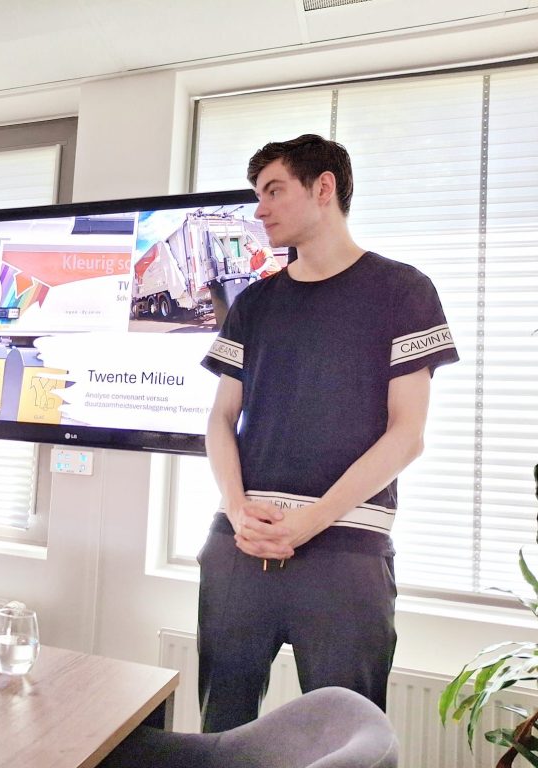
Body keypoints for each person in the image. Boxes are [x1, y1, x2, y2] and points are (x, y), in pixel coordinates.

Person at [197, 135, 459, 732]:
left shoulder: (402, 291)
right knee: (222, 733)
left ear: (324, 188)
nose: (259, 209)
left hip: (347, 550)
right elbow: (219, 419)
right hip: (241, 543)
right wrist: (237, 512)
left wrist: (307, 523)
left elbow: (407, 435)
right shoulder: (254, 303)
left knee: (349, 739)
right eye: (256, 195)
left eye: (273, 190)